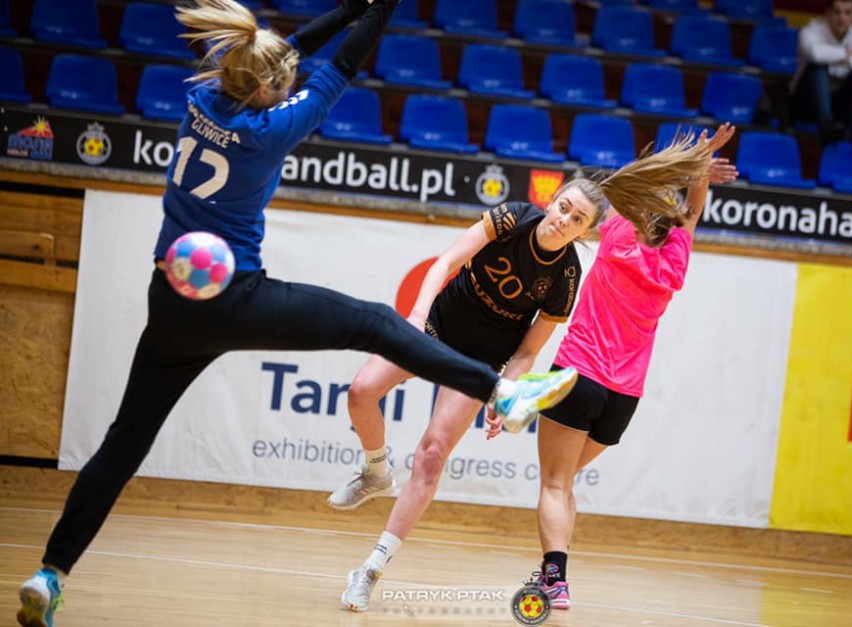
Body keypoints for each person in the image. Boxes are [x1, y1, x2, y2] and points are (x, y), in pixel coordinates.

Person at [14, 2, 580, 626]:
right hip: (235, 299)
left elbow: (275, 55)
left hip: (171, 301)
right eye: (282, 78)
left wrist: (345, 8)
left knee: (123, 445)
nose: (291, 78)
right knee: (372, 323)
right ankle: (498, 390)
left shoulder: (203, 98)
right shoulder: (271, 131)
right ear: (267, 89)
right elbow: (341, 59)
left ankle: (50, 574)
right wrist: (379, 9)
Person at [335, 129, 738, 613]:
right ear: (551, 203)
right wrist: (696, 173)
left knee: (475, 465)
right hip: (585, 381)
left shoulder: (587, 260)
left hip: (526, 369)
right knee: (364, 392)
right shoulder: (663, 253)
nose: (566, 219)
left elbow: (529, 349)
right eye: (564, 207)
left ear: (597, 227)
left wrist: (502, 391)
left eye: (579, 218)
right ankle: (379, 472)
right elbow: (686, 218)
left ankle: (378, 569)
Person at [486, 124, 740, 611]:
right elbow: (690, 214)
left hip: (579, 376)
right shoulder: (674, 261)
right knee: (565, 486)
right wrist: (700, 173)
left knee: (554, 486)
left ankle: (556, 580)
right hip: (623, 400)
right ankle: (550, 574)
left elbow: (632, 181)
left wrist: (695, 160)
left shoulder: (619, 233)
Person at [792, 0, 852, 146]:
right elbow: (815, 53)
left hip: (840, 104)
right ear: (828, 14)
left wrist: (848, 61)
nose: (842, 18)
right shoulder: (811, 30)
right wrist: (845, 54)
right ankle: (826, 123)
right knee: (818, 67)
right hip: (808, 102)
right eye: (837, 12)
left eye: (847, 12)